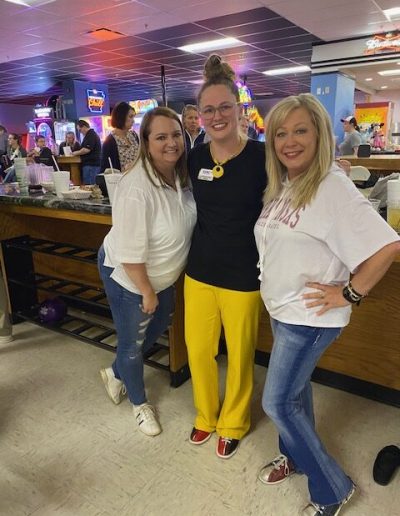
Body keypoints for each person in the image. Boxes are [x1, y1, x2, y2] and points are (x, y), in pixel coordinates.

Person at [254, 93, 400, 516]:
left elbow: (387, 245)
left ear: (320, 134)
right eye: (281, 133)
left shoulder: (331, 187)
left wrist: (350, 293)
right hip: (283, 310)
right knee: (295, 393)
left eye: (301, 130)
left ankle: (332, 488)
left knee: (278, 402)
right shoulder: (287, 184)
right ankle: (295, 456)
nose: (290, 141)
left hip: (309, 318)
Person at [184, 54, 267, 459]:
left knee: (239, 354)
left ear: (238, 109)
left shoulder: (262, 157)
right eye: (209, 110)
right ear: (200, 115)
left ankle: (234, 421)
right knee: (199, 350)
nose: (216, 116)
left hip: (243, 274)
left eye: (224, 107)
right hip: (199, 270)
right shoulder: (195, 158)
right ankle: (206, 414)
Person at [97, 107, 196, 437]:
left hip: (161, 276)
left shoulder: (181, 174)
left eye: (176, 135)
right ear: (146, 141)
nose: (171, 143)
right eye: (161, 137)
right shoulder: (136, 185)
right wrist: (147, 290)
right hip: (130, 276)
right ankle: (139, 404)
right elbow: (129, 251)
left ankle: (115, 372)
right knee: (131, 343)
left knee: (154, 328)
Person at [100, 101, 139, 173]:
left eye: (133, 117)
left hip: (138, 176)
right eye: (130, 117)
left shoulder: (134, 136)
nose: (133, 121)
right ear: (121, 117)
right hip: (121, 178)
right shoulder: (110, 142)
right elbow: (105, 169)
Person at [72, 120, 101, 184]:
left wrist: (75, 153)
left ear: (84, 127)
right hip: (91, 165)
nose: (80, 132)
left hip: (91, 165)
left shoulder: (91, 135)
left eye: (80, 130)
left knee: (90, 185)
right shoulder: (89, 135)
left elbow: (86, 149)